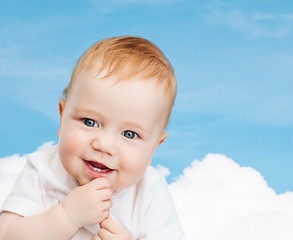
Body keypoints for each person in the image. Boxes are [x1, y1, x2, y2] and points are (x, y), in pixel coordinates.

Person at [0, 36, 184, 240]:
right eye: (89, 122)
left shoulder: (150, 191)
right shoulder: (43, 170)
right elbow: (7, 235)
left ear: (153, 149)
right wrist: (67, 216)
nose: (104, 145)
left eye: (129, 134)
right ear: (63, 118)